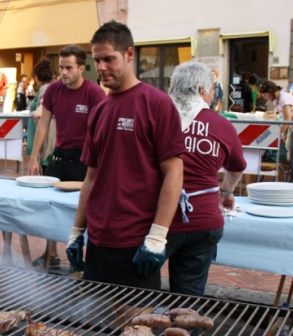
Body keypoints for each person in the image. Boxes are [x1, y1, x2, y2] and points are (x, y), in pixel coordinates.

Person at [69, 21, 185, 289]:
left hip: (136, 240)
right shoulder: (99, 110)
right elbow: (91, 177)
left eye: (109, 59)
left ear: (129, 54)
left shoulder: (157, 103)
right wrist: (77, 232)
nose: (101, 68)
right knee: (96, 322)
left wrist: (157, 237)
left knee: (136, 325)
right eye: (97, 60)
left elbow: (174, 173)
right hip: (99, 240)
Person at [166, 61, 246, 296]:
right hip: (204, 219)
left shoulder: (157, 117)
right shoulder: (220, 124)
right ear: (202, 91)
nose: (212, 96)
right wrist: (227, 191)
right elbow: (236, 168)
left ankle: (140, 327)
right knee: (188, 297)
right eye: (211, 90)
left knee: (139, 289)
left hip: (159, 218)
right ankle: (181, 330)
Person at [28, 45, 105, 270]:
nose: (63, 72)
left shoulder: (94, 92)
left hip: (84, 159)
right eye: (61, 67)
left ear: (81, 68)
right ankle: (51, 254)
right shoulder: (53, 90)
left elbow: (100, 129)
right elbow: (43, 124)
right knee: (51, 207)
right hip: (60, 157)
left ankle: (79, 260)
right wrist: (35, 157)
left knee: (82, 211)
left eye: (69, 68)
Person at [259, 80, 293, 196]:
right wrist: (283, 133)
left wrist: (279, 134)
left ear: (269, 91)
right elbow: (284, 118)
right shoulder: (276, 101)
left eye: (265, 95)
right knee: (292, 161)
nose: (265, 98)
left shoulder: (284, 99)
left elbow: (287, 118)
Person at [26, 59, 55, 175]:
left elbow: (44, 103)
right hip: (46, 136)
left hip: (45, 137)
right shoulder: (51, 88)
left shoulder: (45, 89)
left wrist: (37, 111)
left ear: (36, 77)